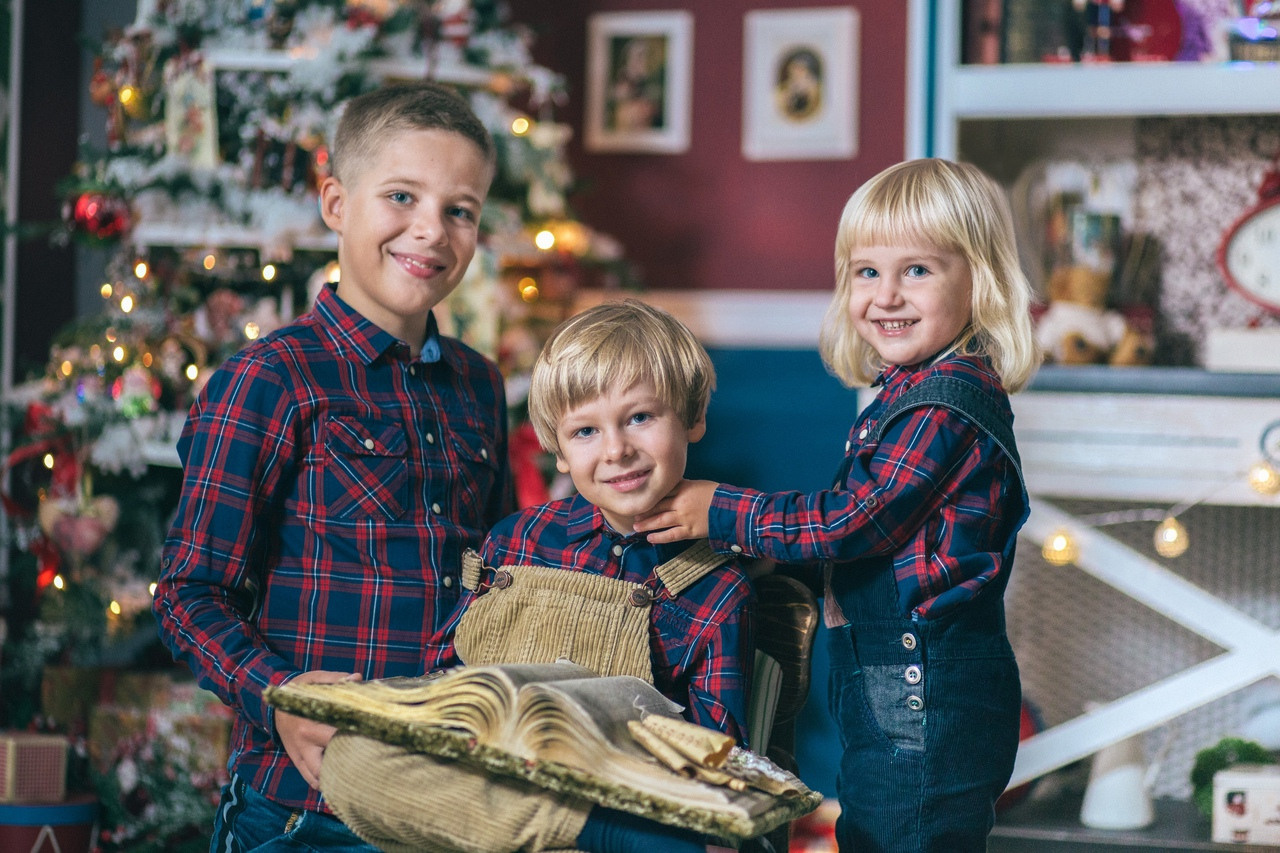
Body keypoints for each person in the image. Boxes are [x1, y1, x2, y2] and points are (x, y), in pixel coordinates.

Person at [636, 158, 1041, 853]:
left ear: (978, 281)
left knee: (901, 835)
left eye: (917, 270)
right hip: (896, 684)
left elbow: (851, 519)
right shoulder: (906, 393)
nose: (886, 294)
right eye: (865, 271)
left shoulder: (941, 407)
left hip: (927, 692)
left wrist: (722, 511)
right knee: (875, 830)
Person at [151, 80, 512, 851]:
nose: (431, 231)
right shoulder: (271, 379)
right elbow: (188, 591)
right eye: (402, 197)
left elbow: (505, 568)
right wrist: (273, 693)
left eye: (460, 209)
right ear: (337, 204)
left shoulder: (481, 385)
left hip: (453, 802)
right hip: (305, 812)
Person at [318, 299, 756, 853]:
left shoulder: (716, 585)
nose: (617, 450)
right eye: (586, 432)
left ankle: (596, 830)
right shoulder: (516, 539)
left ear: (692, 418)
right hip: (489, 776)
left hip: (615, 795)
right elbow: (448, 675)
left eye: (640, 418)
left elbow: (713, 754)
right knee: (350, 756)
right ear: (558, 451)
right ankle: (589, 833)